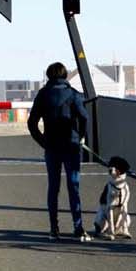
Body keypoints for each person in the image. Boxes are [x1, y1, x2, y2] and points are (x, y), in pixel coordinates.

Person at [27, 61, 91, 241]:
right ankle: (78, 228)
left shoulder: (43, 94)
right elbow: (84, 117)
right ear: (65, 75)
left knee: (53, 187)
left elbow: (32, 123)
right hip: (71, 146)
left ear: (48, 76)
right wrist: (81, 137)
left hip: (52, 146)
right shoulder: (73, 94)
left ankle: (54, 229)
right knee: (73, 186)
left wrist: (43, 141)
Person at [93, 156, 132, 239]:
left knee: (127, 217)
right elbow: (108, 208)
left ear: (122, 170)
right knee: (102, 216)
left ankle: (124, 230)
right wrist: (111, 229)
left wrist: (125, 228)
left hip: (118, 217)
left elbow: (125, 208)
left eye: (116, 167)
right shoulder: (110, 186)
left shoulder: (125, 187)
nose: (111, 169)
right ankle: (106, 231)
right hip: (106, 216)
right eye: (111, 166)